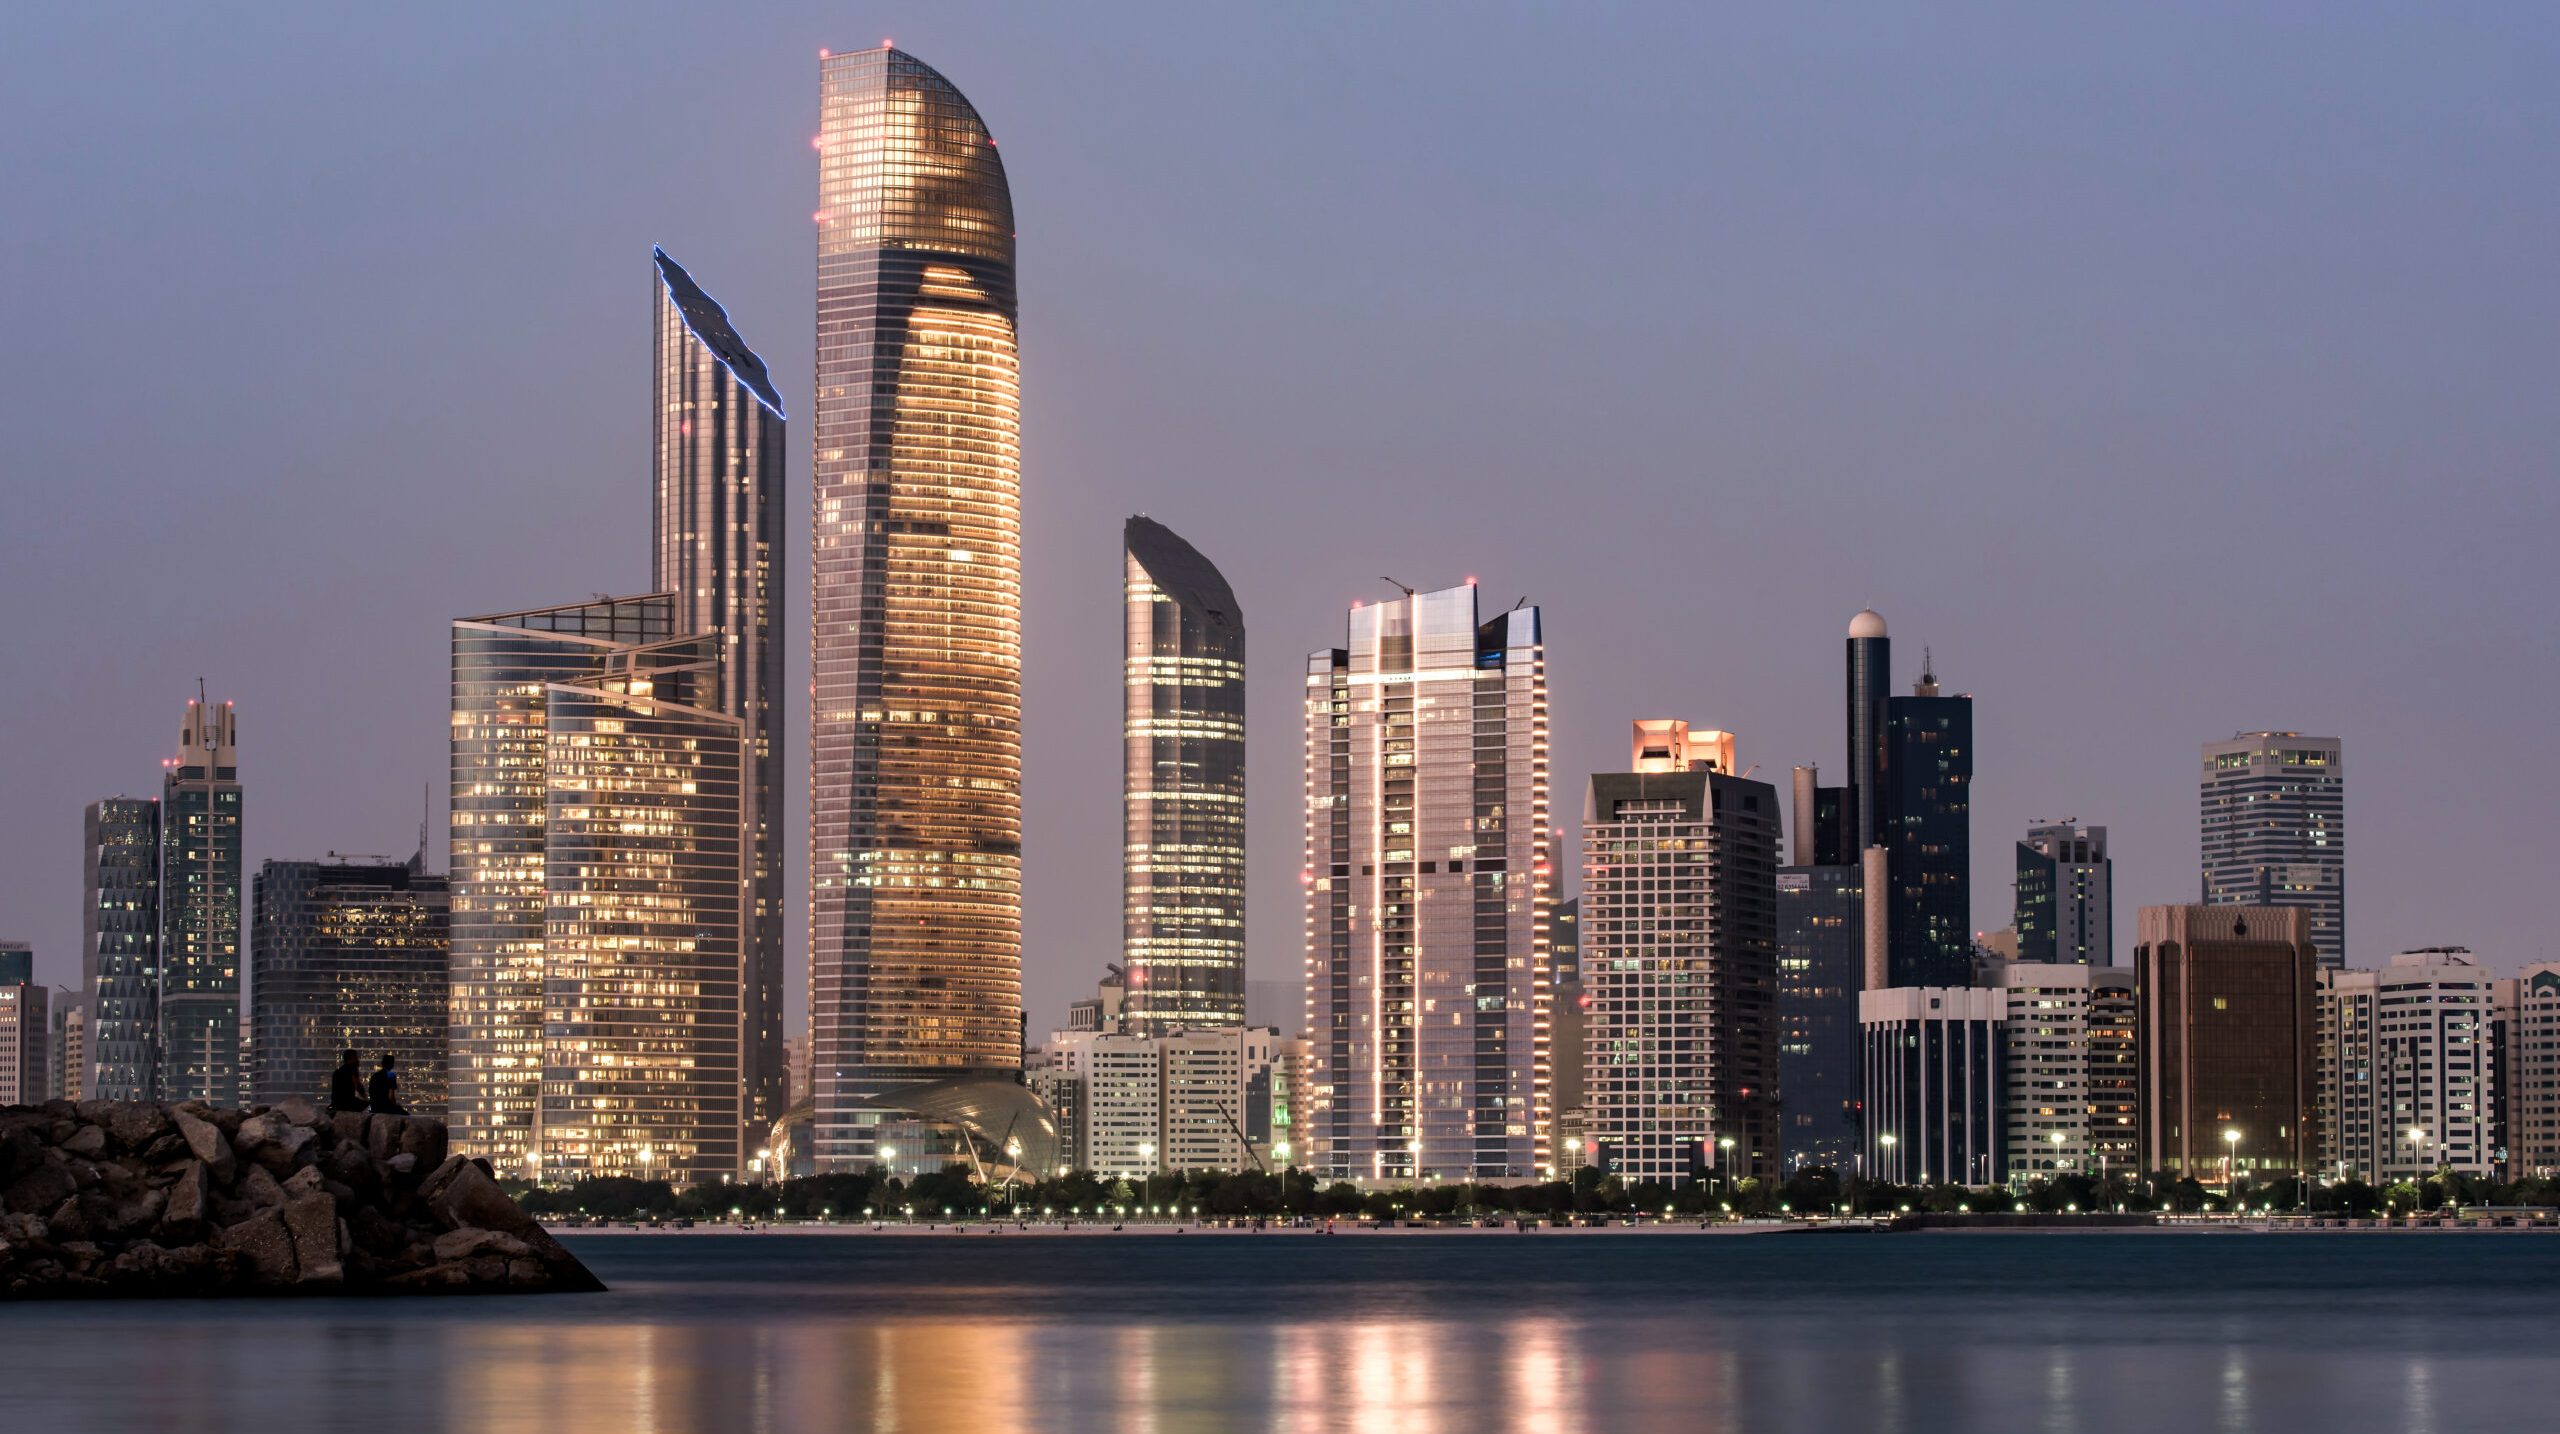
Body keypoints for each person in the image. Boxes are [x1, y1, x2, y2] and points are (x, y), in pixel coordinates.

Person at [328, 1049, 367, 1113]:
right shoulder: (352, 1069)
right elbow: (358, 1086)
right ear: (351, 1058)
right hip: (347, 1104)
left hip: (336, 1104)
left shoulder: (338, 1072)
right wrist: (366, 1098)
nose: (357, 1060)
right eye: (356, 1058)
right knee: (368, 1107)